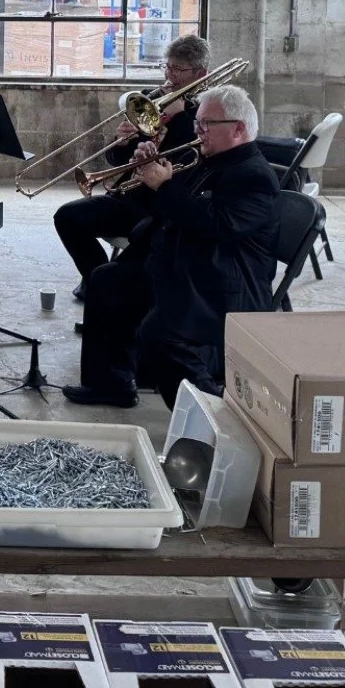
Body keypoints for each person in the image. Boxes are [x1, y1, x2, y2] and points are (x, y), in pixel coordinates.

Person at [61, 84, 280, 410]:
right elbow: (174, 207)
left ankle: (212, 413)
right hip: (188, 262)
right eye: (197, 123)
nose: (198, 130)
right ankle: (110, 384)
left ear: (238, 129)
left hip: (221, 282)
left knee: (158, 332)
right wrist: (149, 171)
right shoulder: (211, 159)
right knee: (107, 279)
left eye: (207, 124)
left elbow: (218, 226)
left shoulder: (253, 176)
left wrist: (165, 185)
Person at [53, 34, 211, 304]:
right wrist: (121, 142)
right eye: (168, 67)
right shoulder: (152, 100)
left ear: (200, 73)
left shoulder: (205, 109)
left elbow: (192, 160)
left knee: (142, 248)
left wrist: (181, 116)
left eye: (179, 69)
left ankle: (108, 288)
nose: (170, 75)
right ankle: (97, 281)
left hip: (164, 205)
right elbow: (116, 159)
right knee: (67, 216)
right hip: (130, 196)